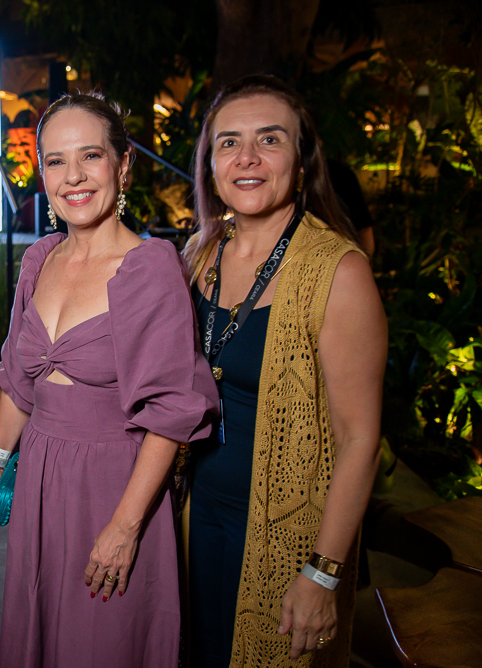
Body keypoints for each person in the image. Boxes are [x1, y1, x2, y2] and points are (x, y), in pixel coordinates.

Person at [0, 92, 220, 668]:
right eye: (56, 161)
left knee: (103, 644)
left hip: (114, 486)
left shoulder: (152, 267)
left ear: (124, 164)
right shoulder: (39, 259)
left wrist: (125, 525)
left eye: (90, 156)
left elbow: (170, 414)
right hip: (39, 476)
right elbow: (19, 380)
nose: (73, 177)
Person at [183, 75, 386, 667]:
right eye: (229, 143)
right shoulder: (198, 255)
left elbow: (359, 440)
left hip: (283, 531)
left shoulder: (339, 272)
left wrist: (322, 574)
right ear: (210, 164)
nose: (246, 158)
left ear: (301, 163)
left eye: (269, 140)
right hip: (194, 518)